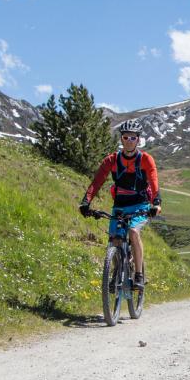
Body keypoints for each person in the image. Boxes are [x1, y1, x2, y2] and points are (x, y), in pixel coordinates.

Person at [78, 119, 162, 290]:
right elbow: (97, 181)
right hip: (120, 206)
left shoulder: (146, 159)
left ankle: (138, 274)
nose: (129, 141)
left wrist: (156, 203)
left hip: (141, 205)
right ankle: (116, 270)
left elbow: (154, 182)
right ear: (121, 139)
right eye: (126, 137)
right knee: (115, 240)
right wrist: (86, 201)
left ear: (138, 139)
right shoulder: (112, 160)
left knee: (133, 232)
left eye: (133, 138)